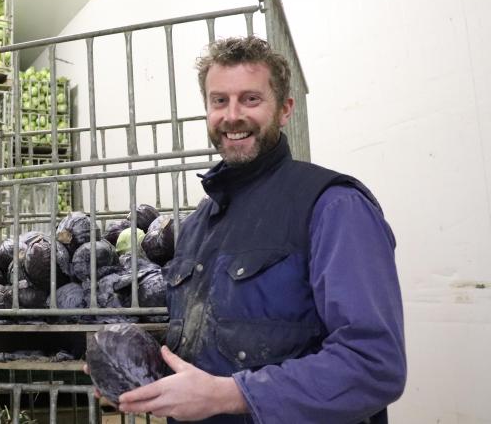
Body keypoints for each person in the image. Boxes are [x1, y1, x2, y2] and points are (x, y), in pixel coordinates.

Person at [107, 36, 407, 423]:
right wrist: (135, 374)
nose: (232, 116)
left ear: (284, 110)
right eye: (219, 101)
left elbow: (375, 365)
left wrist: (231, 395)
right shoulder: (199, 225)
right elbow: (206, 357)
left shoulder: (333, 206)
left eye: (250, 99)